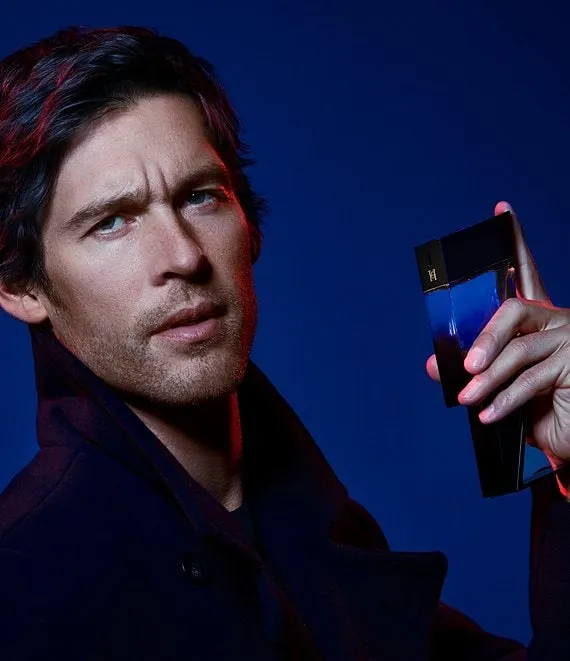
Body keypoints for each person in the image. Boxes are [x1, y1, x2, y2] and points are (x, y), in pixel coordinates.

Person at [0, 25, 568, 661]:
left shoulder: (317, 530)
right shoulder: (24, 584)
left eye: (201, 197)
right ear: (21, 285)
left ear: (249, 227)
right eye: (112, 223)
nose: (184, 256)